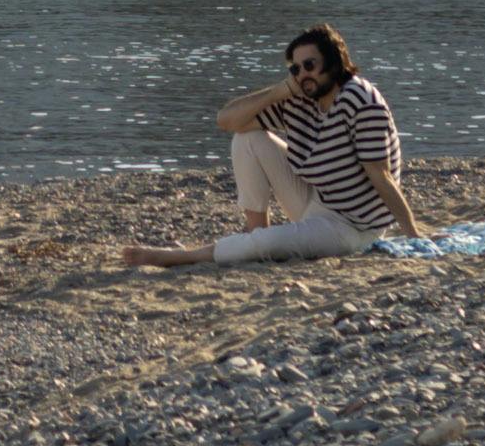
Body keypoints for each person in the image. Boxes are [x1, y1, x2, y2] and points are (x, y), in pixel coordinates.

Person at [138, 20, 426, 268]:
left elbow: (381, 174)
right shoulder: (300, 98)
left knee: (268, 244)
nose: (302, 75)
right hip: (318, 201)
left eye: (310, 65)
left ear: (334, 63)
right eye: (295, 69)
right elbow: (227, 120)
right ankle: (254, 232)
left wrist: (412, 232)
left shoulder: (361, 102)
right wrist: (278, 91)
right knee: (247, 138)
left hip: (354, 227)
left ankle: (186, 256)